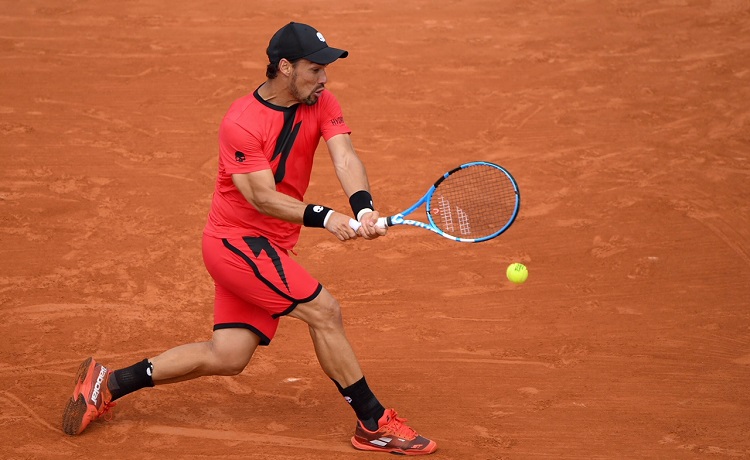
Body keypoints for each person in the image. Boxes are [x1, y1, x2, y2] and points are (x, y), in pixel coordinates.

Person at [61, 21, 437, 456]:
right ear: (284, 67)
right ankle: (373, 424)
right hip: (236, 244)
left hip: (269, 247)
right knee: (324, 312)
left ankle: (107, 383)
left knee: (227, 356)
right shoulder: (241, 122)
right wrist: (325, 216)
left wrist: (363, 207)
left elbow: (345, 155)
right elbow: (261, 196)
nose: (324, 78)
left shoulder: (323, 101)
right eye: (314, 69)